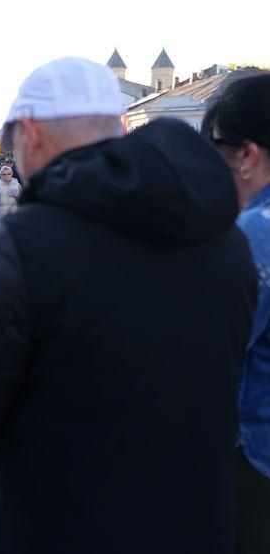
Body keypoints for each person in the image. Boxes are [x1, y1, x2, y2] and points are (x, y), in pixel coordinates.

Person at [0, 57, 257, 554]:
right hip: (194, 523)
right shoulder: (224, 236)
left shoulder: (23, 247)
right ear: (119, 128)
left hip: (58, 526)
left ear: (30, 133)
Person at [202, 73, 270, 554]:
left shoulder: (253, 236)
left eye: (217, 150)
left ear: (247, 154)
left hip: (256, 462)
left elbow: (209, 354)